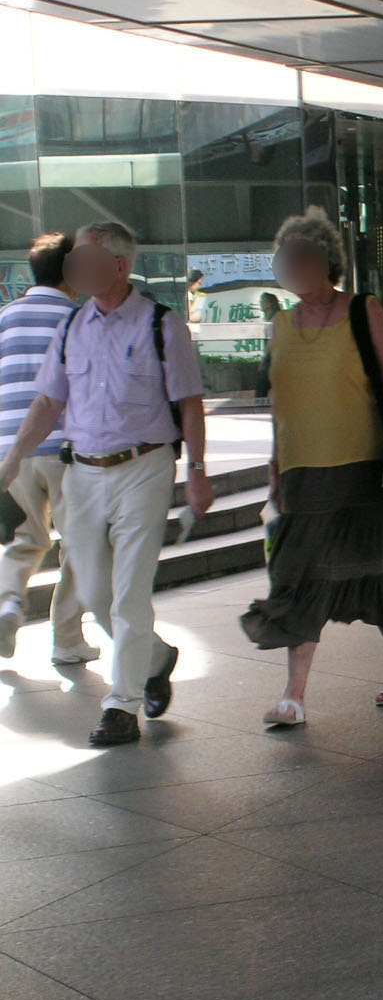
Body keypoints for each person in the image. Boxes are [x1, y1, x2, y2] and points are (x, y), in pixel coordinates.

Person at [0, 221, 214, 746]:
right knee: (93, 591)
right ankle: (157, 657)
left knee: (127, 591)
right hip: (83, 471)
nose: (75, 267)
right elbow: (49, 402)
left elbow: (189, 403)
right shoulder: (73, 327)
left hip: (145, 467)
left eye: (85, 257)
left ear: (118, 266)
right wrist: (12, 459)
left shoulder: (162, 326)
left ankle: (122, 704)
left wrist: (199, 472)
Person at [240, 208, 383, 726]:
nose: (292, 265)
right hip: (300, 474)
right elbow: (280, 402)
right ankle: (294, 696)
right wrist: (275, 466)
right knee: (298, 575)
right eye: (285, 257)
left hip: (363, 467)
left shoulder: (364, 310)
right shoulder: (279, 325)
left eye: (302, 255)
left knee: (365, 568)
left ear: (326, 261)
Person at [0, 231, 96, 666]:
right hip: (63, 448)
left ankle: (8, 605)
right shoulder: (78, 317)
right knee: (77, 543)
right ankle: (67, 639)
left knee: (24, 539)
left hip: (10, 450)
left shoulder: (6, 316)